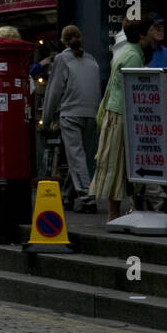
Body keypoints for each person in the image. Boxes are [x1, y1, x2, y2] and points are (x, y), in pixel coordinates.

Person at [91, 18, 153, 224]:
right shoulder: (134, 57)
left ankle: (117, 213)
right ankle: (115, 214)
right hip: (122, 115)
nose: (155, 34)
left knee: (114, 164)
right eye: (151, 30)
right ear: (142, 35)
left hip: (112, 112)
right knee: (118, 165)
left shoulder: (125, 53)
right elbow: (133, 92)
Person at [42, 24, 102, 213]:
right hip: (93, 113)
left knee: (76, 156)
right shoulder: (92, 59)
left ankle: (87, 197)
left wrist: (47, 118)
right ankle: (67, 196)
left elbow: (54, 90)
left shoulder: (62, 59)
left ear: (63, 41)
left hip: (71, 114)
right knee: (84, 156)